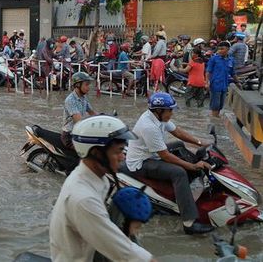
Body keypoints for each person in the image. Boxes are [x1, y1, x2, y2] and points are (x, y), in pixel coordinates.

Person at [50, 115, 155, 262]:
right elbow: (120, 249)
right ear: (97, 153)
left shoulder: (100, 179)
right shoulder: (83, 198)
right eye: (118, 151)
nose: (122, 157)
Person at [124, 92, 214, 235]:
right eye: (170, 110)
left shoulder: (159, 118)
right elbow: (165, 155)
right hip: (141, 162)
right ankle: (189, 223)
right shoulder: (149, 126)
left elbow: (177, 132)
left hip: (151, 154)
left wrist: (200, 142)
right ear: (159, 111)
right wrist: (192, 166)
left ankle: (190, 186)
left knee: (178, 144)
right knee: (178, 172)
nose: (172, 113)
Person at [60, 72, 97, 173]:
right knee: (86, 152)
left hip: (79, 133)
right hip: (69, 136)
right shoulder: (70, 100)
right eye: (86, 84)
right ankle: (70, 174)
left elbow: (92, 113)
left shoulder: (83, 98)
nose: (88, 87)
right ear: (77, 85)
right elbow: (79, 120)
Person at [206, 41, 237, 118]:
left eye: (222, 49)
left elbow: (233, 73)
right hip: (215, 85)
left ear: (228, 49)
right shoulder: (214, 59)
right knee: (215, 105)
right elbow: (208, 72)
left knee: (221, 105)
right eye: (219, 49)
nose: (220, 51)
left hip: (224, 85)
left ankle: (216, 119)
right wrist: (207, 82)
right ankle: (214, 120)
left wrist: (238, 82)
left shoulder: (231, 60)